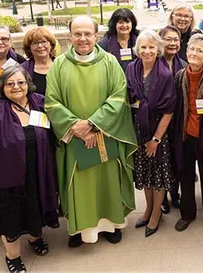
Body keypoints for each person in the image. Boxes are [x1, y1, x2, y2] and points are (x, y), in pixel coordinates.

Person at [44, 16, 137, 247]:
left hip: (104, 134)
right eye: (77, 34)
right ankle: (80, 230)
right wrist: (75, 126)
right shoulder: (59, 65)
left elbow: (118, 97)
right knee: (78, 183)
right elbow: (52, 102)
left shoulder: (110, 62)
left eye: (87, 33)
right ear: (70, 36)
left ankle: (111, 225)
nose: (83, 38)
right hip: (74, 137)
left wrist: (93, 124)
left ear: (96, 35)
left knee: (107, 182)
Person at [0, 66, 59, 272]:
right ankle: (13, 256)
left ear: (28, 84)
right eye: (10, 83)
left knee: (36, 206)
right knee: (10, 214)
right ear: (2, 87)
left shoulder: (40, 103)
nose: (16, 87)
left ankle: (35, 238)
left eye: (21, 82)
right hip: (5, 178)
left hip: (38, 170)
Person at [126, 30, 176, 237]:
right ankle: (147, 209)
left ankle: (156, 214)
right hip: (138, 128)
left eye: (151, 47)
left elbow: (169, 110)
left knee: (158, 174)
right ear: (138, 49)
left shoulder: (164, 74)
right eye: (143, 47)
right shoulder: (131, 68)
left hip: (158, 130)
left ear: (158, 50)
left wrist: (155, 139)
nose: (147, 51)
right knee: (145, 172)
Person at [173, 34, 203, 235]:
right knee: (185, 175)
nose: (194, 53)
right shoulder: (179, 77)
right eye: (192, 49)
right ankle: (187, 213)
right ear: (186, 52)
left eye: (199, 51)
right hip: (185, 136)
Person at [157, 25, 186, 212]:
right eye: (168, 39)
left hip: (178, 122)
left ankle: (175, 193)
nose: (173, 43)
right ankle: (162, 198)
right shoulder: (153, 64)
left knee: (176, 160)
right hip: (158, 121)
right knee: (161, 160)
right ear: (160, 41)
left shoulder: (183, 64)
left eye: (176, 39)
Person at [21, 27, 57, 96]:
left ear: (51, 45)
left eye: (44, 42)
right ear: (29, 48)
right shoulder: (22, 70)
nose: (40, 46)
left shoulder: (61, 65)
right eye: (35, 43)